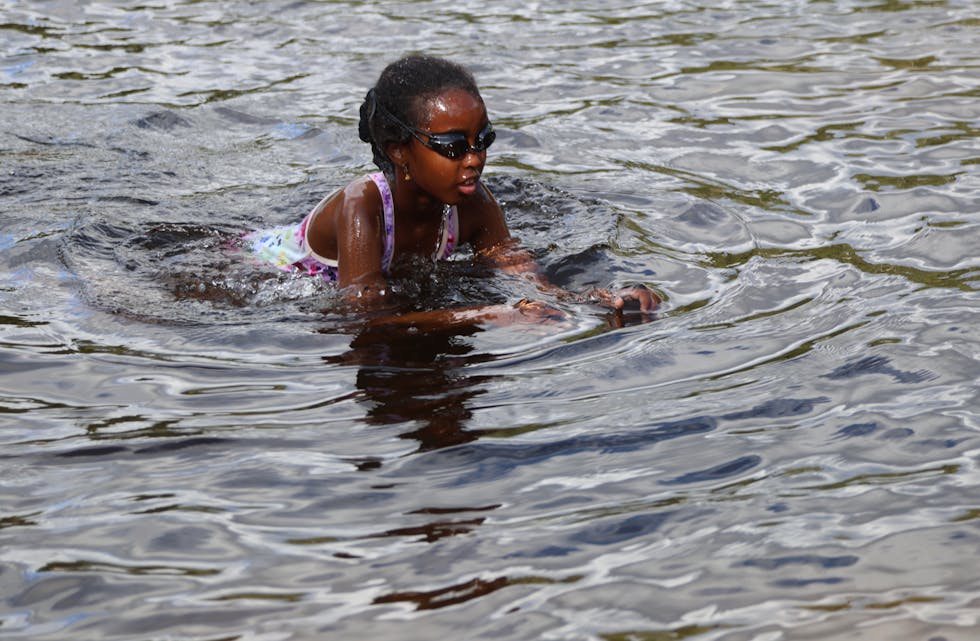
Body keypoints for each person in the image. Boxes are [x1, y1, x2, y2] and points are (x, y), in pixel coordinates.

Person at [247, 54, 658, 326]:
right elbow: (364, 317)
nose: (474, 157)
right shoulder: (362, 205)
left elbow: (518, 269)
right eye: (453, 147)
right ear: (399, 151)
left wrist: (591, 300)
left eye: (483, 139)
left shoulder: (474, 201)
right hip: (261, 270)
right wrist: (489, 315)